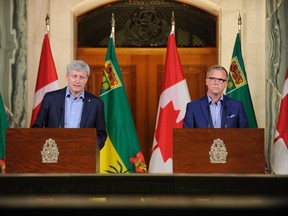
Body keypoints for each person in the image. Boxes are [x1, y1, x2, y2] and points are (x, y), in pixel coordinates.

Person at [32, 60, 107, 150]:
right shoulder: (51, 98)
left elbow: (101, 134)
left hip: (82, 155)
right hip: (54, 153)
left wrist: (90, 150)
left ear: (86, 79)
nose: (77, 81)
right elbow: (37, 128)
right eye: (74, 76)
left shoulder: (96, 103)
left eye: (81, 77)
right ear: (67, 76)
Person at [183, 65, 248, 128]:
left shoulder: (237, 106)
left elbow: (245, 135)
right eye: (213, 79)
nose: (216, 83)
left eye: (220, 80)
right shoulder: (193, 107)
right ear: (206, 81)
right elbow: (186, 136)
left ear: (226, 83)